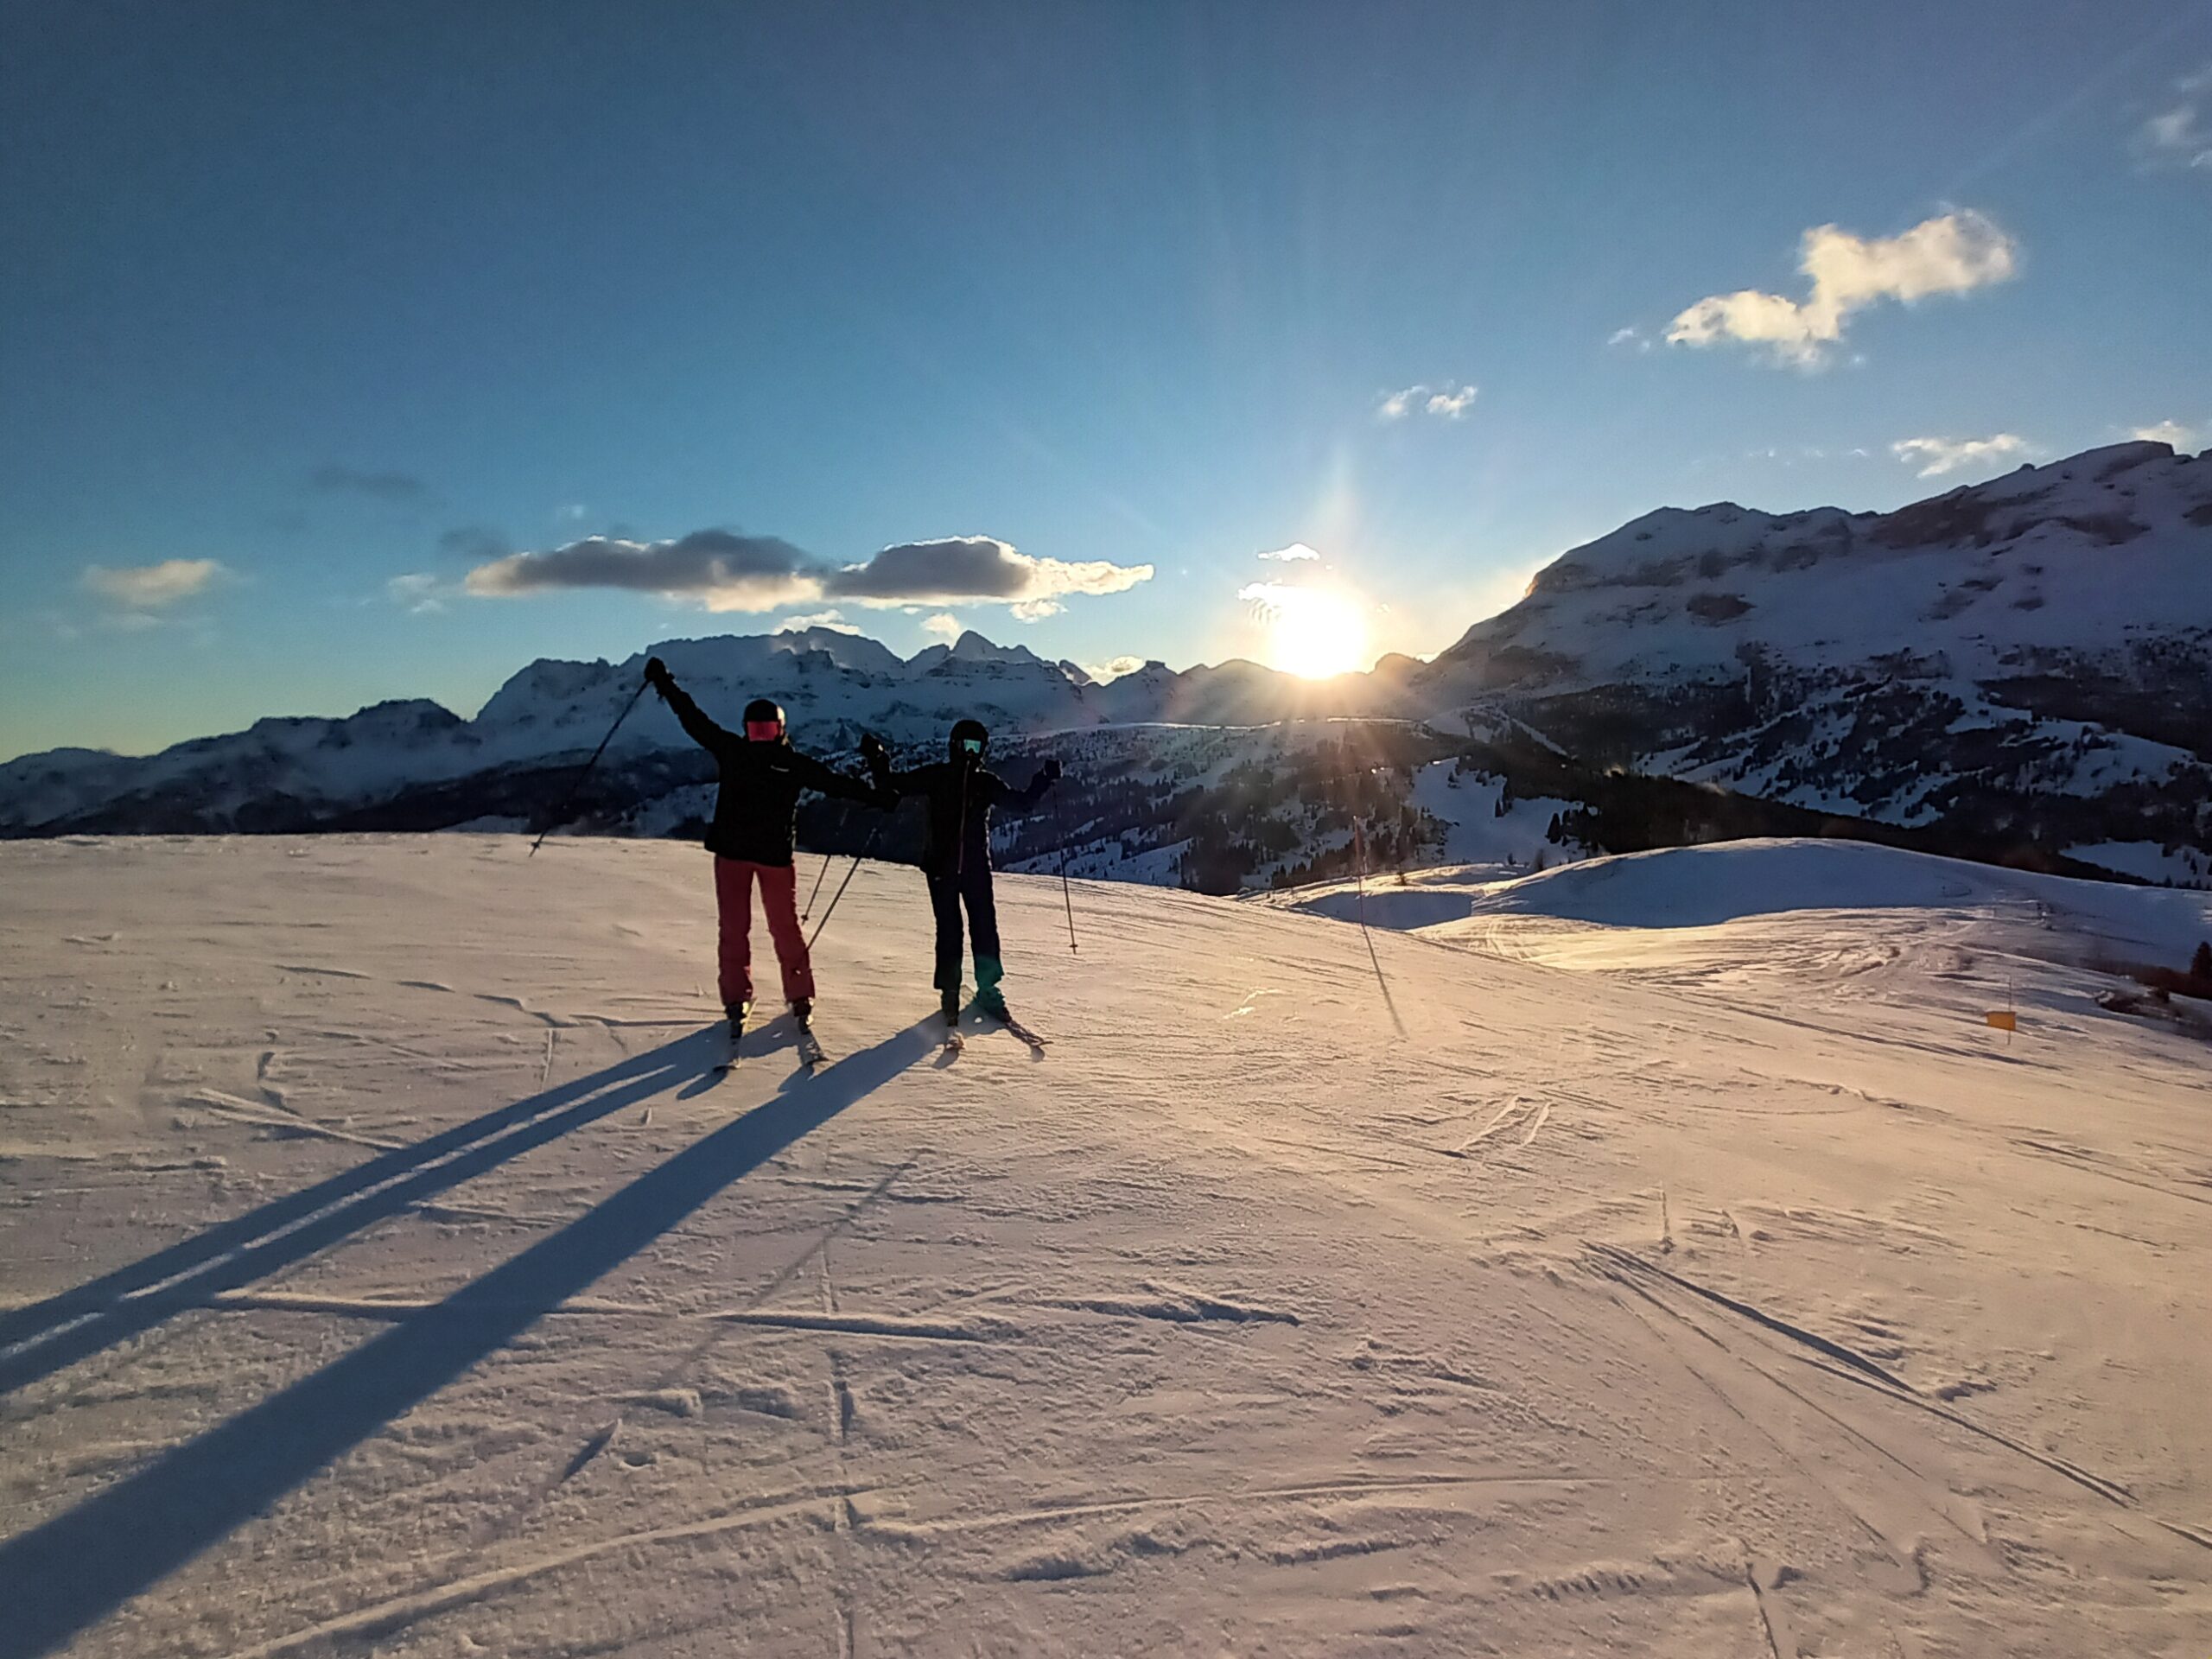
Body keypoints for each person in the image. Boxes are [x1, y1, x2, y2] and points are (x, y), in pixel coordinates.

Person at [644, 656, 880, 1045]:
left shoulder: (741, 752)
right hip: (763, 857)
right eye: (756, 730)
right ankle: (786, 996)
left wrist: (664, 684)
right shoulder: (776, 759)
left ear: (779, 730)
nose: (761, 737)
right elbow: (693, 719)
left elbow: (835, 783)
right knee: (767, 928)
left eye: (766, 730)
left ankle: (750, 997)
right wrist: (666, 686)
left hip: (741, 855)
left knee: (749, 928)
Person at [863, 718, 1060, 1029]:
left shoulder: (965, 780)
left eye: (976, 747)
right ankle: (961, 990)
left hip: (962, 867)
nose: (971, 753)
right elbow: (892, 783)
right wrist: (877, 759)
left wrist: (1043, 780)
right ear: (955, 746)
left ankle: (972, 989)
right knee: (958, 928)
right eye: (967, 746)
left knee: (975, 926)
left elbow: (1021, 804)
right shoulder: (958, 779)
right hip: (952, 867)